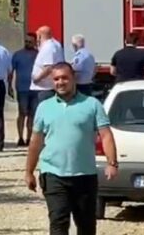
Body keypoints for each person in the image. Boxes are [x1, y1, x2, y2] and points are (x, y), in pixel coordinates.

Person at [25, 62, 118, 235]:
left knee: (86, 226)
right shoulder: (44, 107)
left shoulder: (92, 104)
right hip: (53, 174)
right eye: (56, 79)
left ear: (73, 78)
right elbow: (35, 142)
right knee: (58, 222)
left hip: (84, 175)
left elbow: (106, 135)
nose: (60, 82)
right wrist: (29, 171)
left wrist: (112, 163)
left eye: (64, 78)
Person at [10, 32, 38, 147]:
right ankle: (20, 137)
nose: (28, 43)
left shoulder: (39, 55)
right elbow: (11, 72)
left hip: (35, 89)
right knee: (22, 113)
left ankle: (29, 138)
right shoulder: (17, 55)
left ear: (35, 42)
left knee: (32, 115)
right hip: (22, 89)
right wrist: (9, 86)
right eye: (26, 41)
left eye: (30, 42)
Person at [30, 26, 64, 104]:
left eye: (37, 36)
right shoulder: (54, 44)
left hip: (44, 89)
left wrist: (36, 79)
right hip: (46, 88)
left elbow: (49, 67)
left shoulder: (48, 47)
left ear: (40, 36)